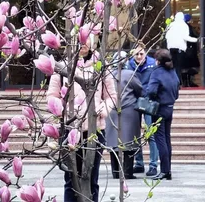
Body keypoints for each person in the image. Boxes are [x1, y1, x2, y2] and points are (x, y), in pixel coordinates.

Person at [47, 36, 117, 202]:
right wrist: (63, 112)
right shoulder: (62, 67)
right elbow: (52, 96)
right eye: (78, 40)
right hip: (70, 131)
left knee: (92, 179)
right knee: (71, 179)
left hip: (94, 131)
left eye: (86, 40)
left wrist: (100, 110)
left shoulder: (101, 67)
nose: (82, 44)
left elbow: (111, 97)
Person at [106, 52, 142, 180]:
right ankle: (127, 172)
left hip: (110, 110)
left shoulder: (107, 75)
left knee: (113, 142)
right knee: (129, 142)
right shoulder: (130, 74)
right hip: (129, 111)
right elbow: (140, 90)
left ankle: (115, 172)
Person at [146, 49, 180, 180]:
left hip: (159, 108)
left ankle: (164, 171)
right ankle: (168, 170)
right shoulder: (173, 71)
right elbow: (177, 90)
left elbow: (151, 90)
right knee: (166, 138)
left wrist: (152, 96)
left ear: (158, 61)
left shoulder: (156, 72)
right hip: (170, 107)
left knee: (160, 140)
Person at [127, 46, 158, 177]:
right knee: (135, 134)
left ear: (145, 53)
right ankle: (139, 163)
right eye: (136, 55)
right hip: (134, 100)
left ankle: (153, 165)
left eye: (141, 54)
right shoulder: (129, 65)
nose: (139, 57)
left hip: (148, 100)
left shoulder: (152, 64)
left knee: (151, 133)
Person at [165, 12, 197, 85]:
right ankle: (178, 83)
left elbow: (166, 36)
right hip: (180, 48)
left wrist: (169, 45)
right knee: (178, 67)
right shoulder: (184, 25)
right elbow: (185, 37)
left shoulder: (171, 25)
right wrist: (196, 40)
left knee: (173, 66)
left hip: (171, 48)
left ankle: (173, 82)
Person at [181, 14, 199, 87]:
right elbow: (194, 36)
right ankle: (189, 82)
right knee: (191, 67)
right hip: (190, 50)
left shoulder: (182, 27)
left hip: (186, 50)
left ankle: (186, 82)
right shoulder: (188, 27)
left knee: (185, 68)